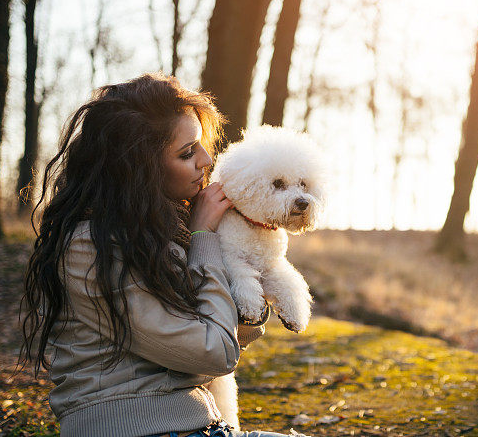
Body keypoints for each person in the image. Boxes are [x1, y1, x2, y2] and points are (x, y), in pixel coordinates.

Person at [20, 73, 292, 437]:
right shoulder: (89, 247)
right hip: (146, 428)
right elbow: (215, 353)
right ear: (139, 168)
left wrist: (243, 266)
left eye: (200, 145)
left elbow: (218, 338)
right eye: (187, 152)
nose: (206, 159)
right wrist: (204, 237)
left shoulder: (154, 232)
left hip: (189, 424)